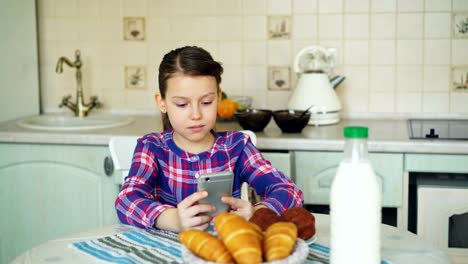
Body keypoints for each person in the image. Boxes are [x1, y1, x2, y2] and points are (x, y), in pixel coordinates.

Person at [115, 46, 304, 232]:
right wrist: (173, 219)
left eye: (206, 102)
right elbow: (126, 200)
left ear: (219, 97)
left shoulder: (237, 146)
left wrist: (257, 213)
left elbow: (289, 191)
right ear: (162, 102)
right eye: (182, 104)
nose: (196, 114)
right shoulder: (152, 148)